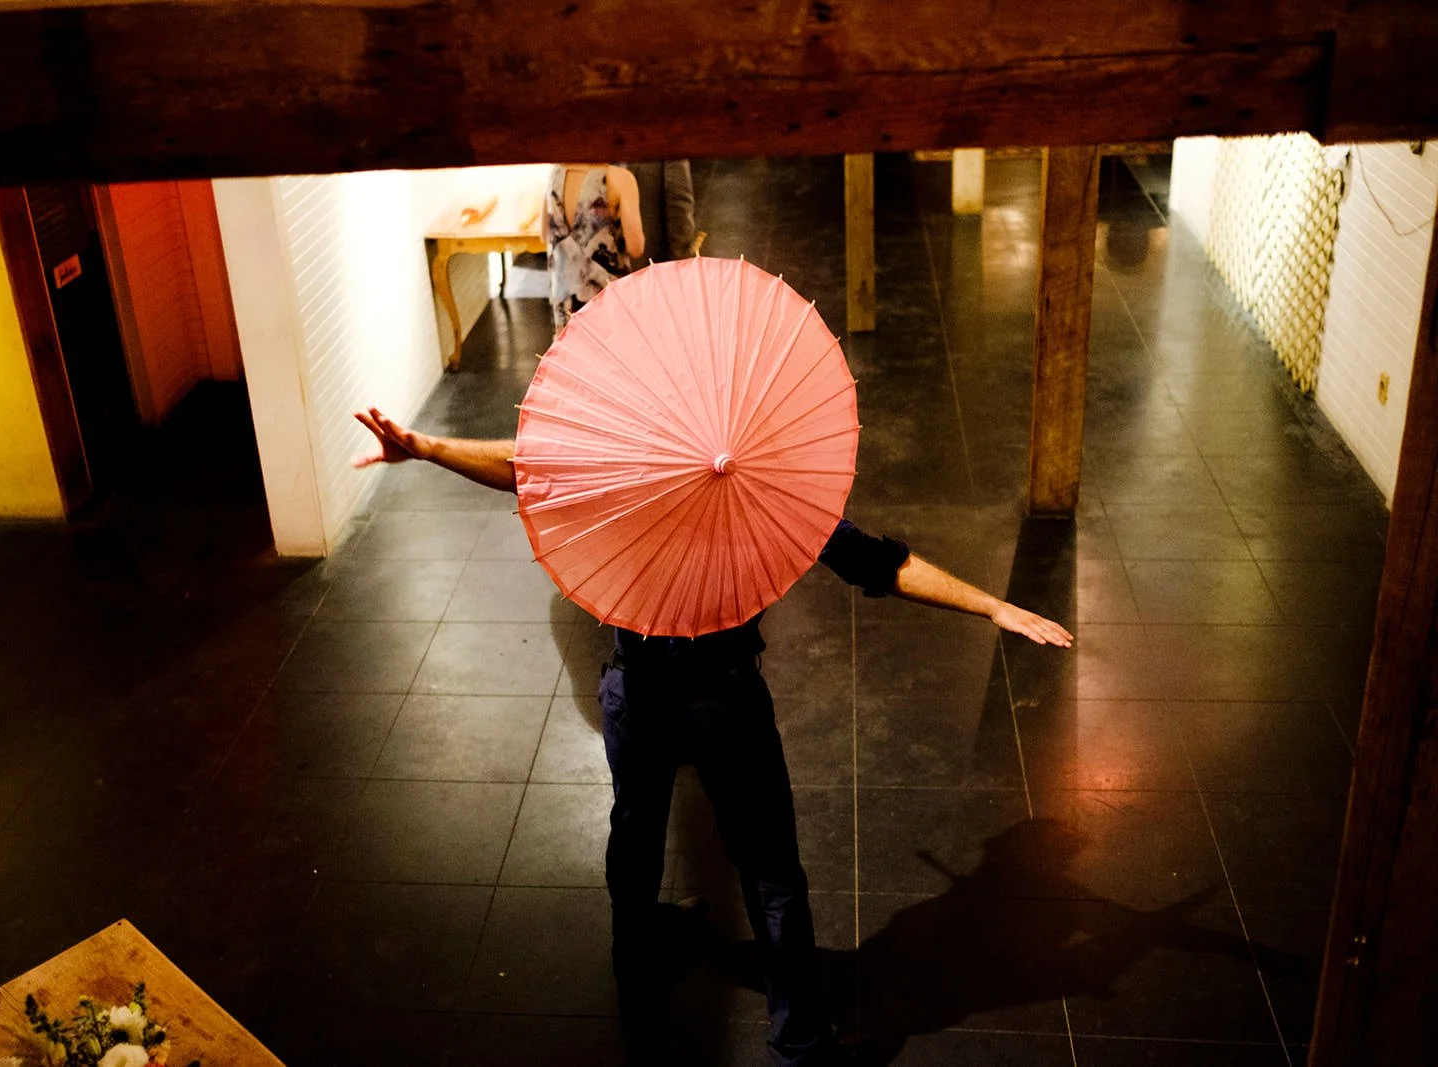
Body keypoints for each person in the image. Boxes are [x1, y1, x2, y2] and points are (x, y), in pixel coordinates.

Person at [352, 408, 1073, 1065]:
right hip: (723, 700)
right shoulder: (764, 492)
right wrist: (993, 606)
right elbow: (878, 564)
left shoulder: (625, 472)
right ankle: (799, 1043)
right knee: (770, 871)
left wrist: (426, 447)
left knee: (635, 838)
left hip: (636, 692)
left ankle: (638, 975)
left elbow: (529, 468)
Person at [544, 164, 645, 332]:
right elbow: (636, 248)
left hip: (565, 300)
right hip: (607, 300)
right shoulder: (620, 179)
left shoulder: (555, 175)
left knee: (571, 348)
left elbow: (544, 235)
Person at [625, 161, 698, 262]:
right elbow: (678, 204)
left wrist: (680, 260)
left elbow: (678, 204)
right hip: (648, 260)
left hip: (644, 260)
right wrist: (681, 262)